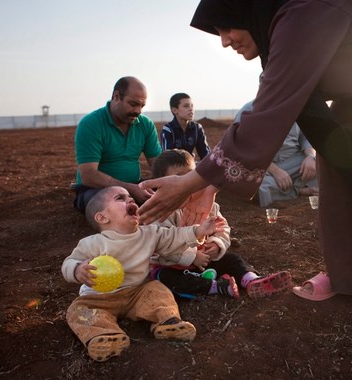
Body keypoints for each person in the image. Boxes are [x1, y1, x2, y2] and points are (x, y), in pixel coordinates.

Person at [138, 0, 352, 299]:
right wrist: (206, 182)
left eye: (227, 27)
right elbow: (291, 103)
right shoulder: (283, 28)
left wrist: (190, 183)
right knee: (341, 152)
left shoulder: (301, 11)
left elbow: (268, 110)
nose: (226, 41)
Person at [61, 186, 224, 362]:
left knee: (157, 289)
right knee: (78, 310)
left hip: (136, 293)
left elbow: (173, 236)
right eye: (120, 198)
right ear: (102, 217)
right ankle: (105, 335)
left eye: (130, 197)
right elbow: (68, 263)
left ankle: (167, 321)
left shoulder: (149, 233)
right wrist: (77, 270)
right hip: (98, 298)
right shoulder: (92, 243)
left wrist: (199, 231)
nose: (130, 200)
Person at [149, 149, 292, 299]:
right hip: (174, 266)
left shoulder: (207, 203)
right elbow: (162, 244)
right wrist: (192, 256)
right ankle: (216, 287)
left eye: (191, 176)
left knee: (232, 260)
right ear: (162, 185)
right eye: (179, 178)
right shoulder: (161, 212)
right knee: (166, 277)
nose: (188, 184)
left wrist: (216, 244)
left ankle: (251, 280)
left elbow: (222, 227)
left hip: (205, 263)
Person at [73, 76, 162, 213]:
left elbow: (158, 165)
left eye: (142, 106)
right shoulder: (91, 124)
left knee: (173, 190)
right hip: (96, 190)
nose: (138, 111)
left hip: (135, 185)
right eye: (133, 104)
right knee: (110, 206)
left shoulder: (145, 124)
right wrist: (130, 189)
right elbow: (88, 175)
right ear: (116, 96)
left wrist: (168, 185)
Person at [235, 99, 318, 207]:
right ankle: (299, 191)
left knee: (322, 165)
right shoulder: (248, 110)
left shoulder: (297, 107)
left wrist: (311, 157)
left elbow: (305, 137)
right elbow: (242, 147)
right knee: (253, 187)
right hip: (262, 166)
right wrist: (276, 171)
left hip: (294, 162)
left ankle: (285, 189)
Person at [160, 93, 211, 160]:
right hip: (173, 167)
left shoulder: (197, 128)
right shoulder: (168, 129)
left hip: (189, 165)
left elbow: (205, 154)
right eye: (186, 106)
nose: (191, 109)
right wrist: (188, 159)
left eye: (192, 106)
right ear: (175, 110)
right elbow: (167, 158)